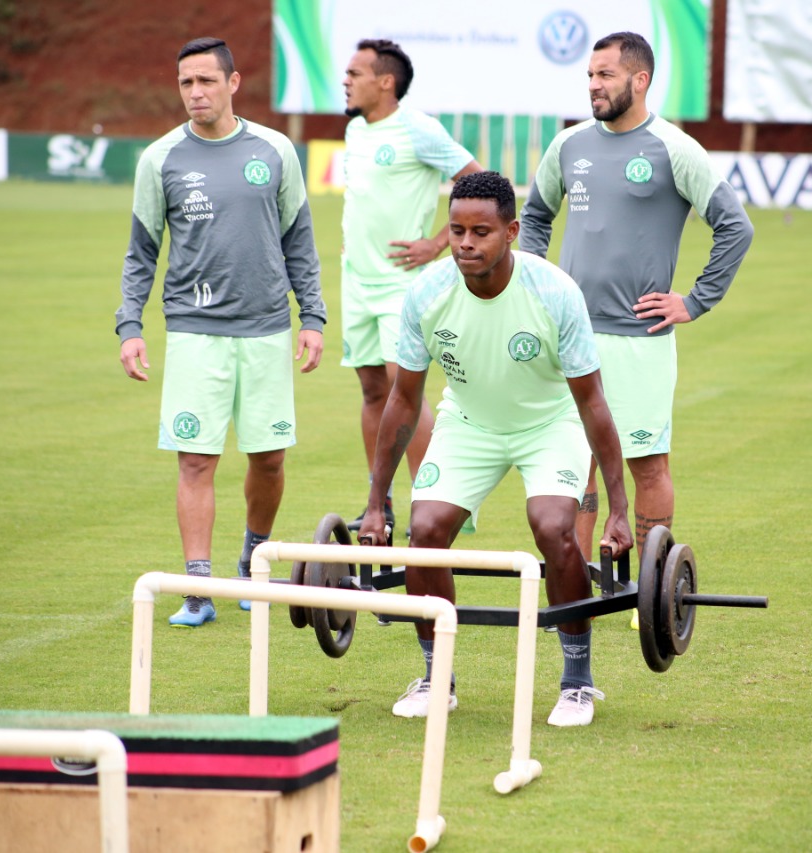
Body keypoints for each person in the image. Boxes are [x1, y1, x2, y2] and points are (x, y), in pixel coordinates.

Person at [357, 171, 633, 727]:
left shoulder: (555, 293)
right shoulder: (428, 294)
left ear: (510, 232)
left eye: (480, 232)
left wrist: (620, 509)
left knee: (553, 525)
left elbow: (593, 405)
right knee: (426, 530)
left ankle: (577, 682)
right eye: (456, 229)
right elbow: (404, 403)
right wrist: (375, 500)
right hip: (469, 422)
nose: (464, 243)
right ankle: (438, 676)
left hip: (549, 423)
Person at [520, 32, 753, 625]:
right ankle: (572, 588)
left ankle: (649, 591)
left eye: (604, 75)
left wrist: (695, 301)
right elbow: (535, 215)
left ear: (639, 80)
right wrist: (536, 281)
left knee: (646, 463)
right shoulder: (569, 144)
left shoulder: (676, 149)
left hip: (639, 339)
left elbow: (735, 227)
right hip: (570, 337)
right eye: (589, 76)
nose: (593, 85)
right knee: (574, 461)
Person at [115, 37, 325, 627]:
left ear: (234, 83)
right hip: (193, 332)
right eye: (186, 83)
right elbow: (141, 254)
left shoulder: (276, 149)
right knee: (195, 461)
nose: (195, 93)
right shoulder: (160, 159)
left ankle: (251, 558)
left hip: (265, 331)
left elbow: (299, 242)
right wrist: (129, 324)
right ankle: (198, 588)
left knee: (270, 459)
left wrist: (312, 316)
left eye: (206, 81)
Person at [340, 38, 482, 532]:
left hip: (400, 285)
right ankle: (381, 501)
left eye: (355, 73)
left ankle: (432, 500)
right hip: (355, 283)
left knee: (407, 390)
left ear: (385, 81)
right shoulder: (356, 130)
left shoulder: (418, 129)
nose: (346, 80)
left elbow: (475, 178)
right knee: (372, 388)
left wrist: (439, 242)